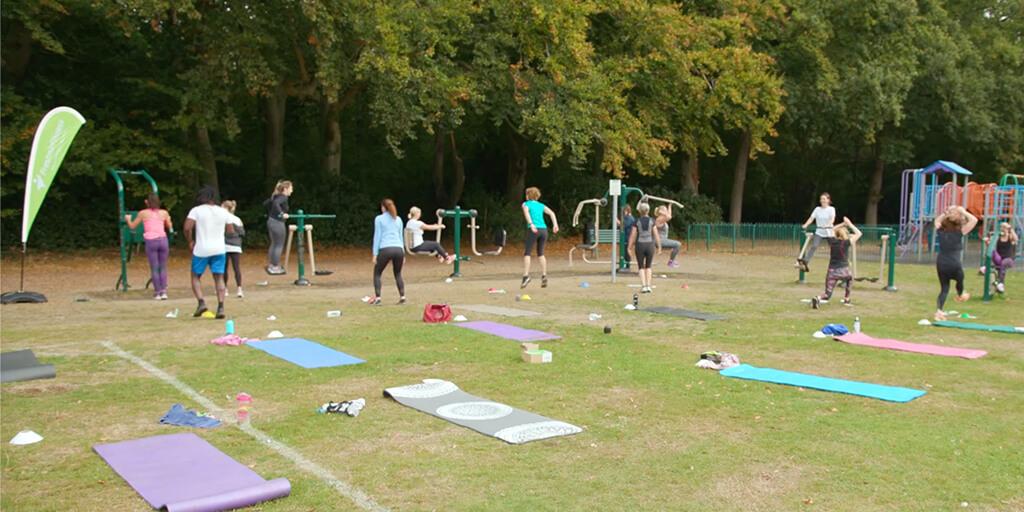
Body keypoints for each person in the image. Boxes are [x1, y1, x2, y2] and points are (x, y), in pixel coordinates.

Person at [184, 186, 235, 319]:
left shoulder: (196, 211)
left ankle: (201, 303)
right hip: (219, 248)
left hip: (201, 248)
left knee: (195, 276)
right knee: (218, 277)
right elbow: (230, 230)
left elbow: (187, 228)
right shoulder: (223, 211)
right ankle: (221, 306)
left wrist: (190, 240)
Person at [933, 205, 978, 321]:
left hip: (941, 262)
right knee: (960, 280)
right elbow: (974, 220)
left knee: (944, 289)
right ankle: (960, 294)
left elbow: (937, 221)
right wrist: (963, 211)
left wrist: (946, 212)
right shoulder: (960, 232)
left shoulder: (941, 231)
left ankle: (939, 311)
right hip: (954, 263)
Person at [124, 193, 172, 300]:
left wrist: (128, 219)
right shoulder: (164, 213)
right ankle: (164, 292)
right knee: (163, 267)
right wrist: (169, 219)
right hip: (163, 240)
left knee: (154, 267)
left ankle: (157, 292)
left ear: (147, 202)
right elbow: (169, 226)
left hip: (151, 241)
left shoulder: (143, 213)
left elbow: (132, 226)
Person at [811, 217, 861, 308]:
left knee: (827, 294)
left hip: (832, 272)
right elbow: (859, 233)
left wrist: (842, 224)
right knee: (850, 279)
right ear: (844, 234)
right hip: (844, 270)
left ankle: (817, 298)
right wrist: (849, 224)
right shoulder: (846, 243)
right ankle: (847, 298)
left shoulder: (832, 242)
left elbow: (832, 229)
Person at [521, 187, 559, 288]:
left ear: (528, 195)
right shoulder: (541, 205)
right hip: (544, 230)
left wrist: (531, 224)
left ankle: (526, 277)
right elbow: (552, 213)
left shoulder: (525, 204)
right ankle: (544, 276)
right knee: (541, 253)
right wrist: (555, 225)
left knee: (527, 253)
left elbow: (526, 213)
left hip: (534, 229)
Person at [371, 198, 406, 305]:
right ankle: (402, 296)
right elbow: (401, 236)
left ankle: (378, 298)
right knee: (398, 273)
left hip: (386, 248)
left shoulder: (379, 219)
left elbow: (377, 236)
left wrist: (375, 253)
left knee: (377, 273)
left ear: (383, 207)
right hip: (398, 248)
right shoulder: (398, 219)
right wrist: (403, 253)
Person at [796, 193, 836, 272]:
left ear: (828, 200)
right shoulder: (817, 209)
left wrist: (828, 225)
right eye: (821, 199)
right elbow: (811, 218)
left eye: (824, 199)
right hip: (819, 231)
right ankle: (805, 262)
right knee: (814, 246)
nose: (822, 200)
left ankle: (836, 265)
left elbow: (832, 219)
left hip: (829, 231)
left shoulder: (831, 209)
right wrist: (806, 225)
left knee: (834, 248)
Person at [627, 202, 661, 293]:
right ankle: (649, 286)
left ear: (640, 211)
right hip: (650, 245)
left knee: (641, 266)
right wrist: (659, 246)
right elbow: (656, 234)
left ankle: (643, 286)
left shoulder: (636, 221)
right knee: (649, 266)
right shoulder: (652, 221)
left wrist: (629, 247)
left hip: (640, 245)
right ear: (648, 211)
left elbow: (633, 235)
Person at [264, 180, 292, 275]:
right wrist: (282, 213)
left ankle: (272, 265)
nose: (292, 191)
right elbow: (276, 204)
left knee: (274, 244)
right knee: (279, 244)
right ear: (285, 189)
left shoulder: (276, 196)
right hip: (277, 223)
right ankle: (275, 267)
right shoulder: (283, 197)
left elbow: (266, 203)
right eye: (291, 188)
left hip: (271, 221)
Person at [984, 222, 1018, 294]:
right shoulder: (998, 237)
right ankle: (985, 267)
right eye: (1002, 228)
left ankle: (1000, 283)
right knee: (992, 252)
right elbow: (990, 247)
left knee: (1004, 263)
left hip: (1009, 259)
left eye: (1005, 228)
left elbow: (1016, 238)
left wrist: (1010, 228)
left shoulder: (1010, 237)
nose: (1003, 230)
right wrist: (987, 242)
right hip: (1000, 259)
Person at [222, 200, 245, 298]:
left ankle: (225, 289)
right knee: (236, 268)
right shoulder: (237, 219)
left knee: (224, 268)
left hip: (225, 245)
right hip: (236, 245)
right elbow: (242, 232)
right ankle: (239, 289)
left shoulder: (223, 219)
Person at [620, 205, 636, 272]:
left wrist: (617, 221)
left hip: (628, 238)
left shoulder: (630, 218)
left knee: (627, 252)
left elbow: (624, 225)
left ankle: (627, 266)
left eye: (624, 211)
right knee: (625, 251)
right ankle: (625, 265)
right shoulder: (627, 218)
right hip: (627, 237)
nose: (623, 213)